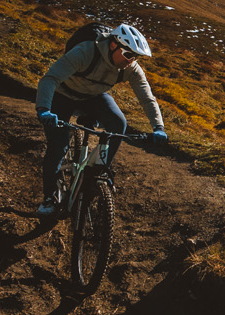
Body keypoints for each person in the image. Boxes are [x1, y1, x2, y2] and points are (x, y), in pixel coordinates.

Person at [33, 23, 167, 217]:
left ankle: (100, 171)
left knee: (118, 123)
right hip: (62, 96)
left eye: (135, 57)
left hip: (93, 97)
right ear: (113, 46)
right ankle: (49, 198)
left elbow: (147, 97)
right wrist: (44, 110)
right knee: (58, 146)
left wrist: (158, 127)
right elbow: (50, 79)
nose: (131, 61)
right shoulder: (85, 52)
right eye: (129, 55)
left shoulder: (130, 68)